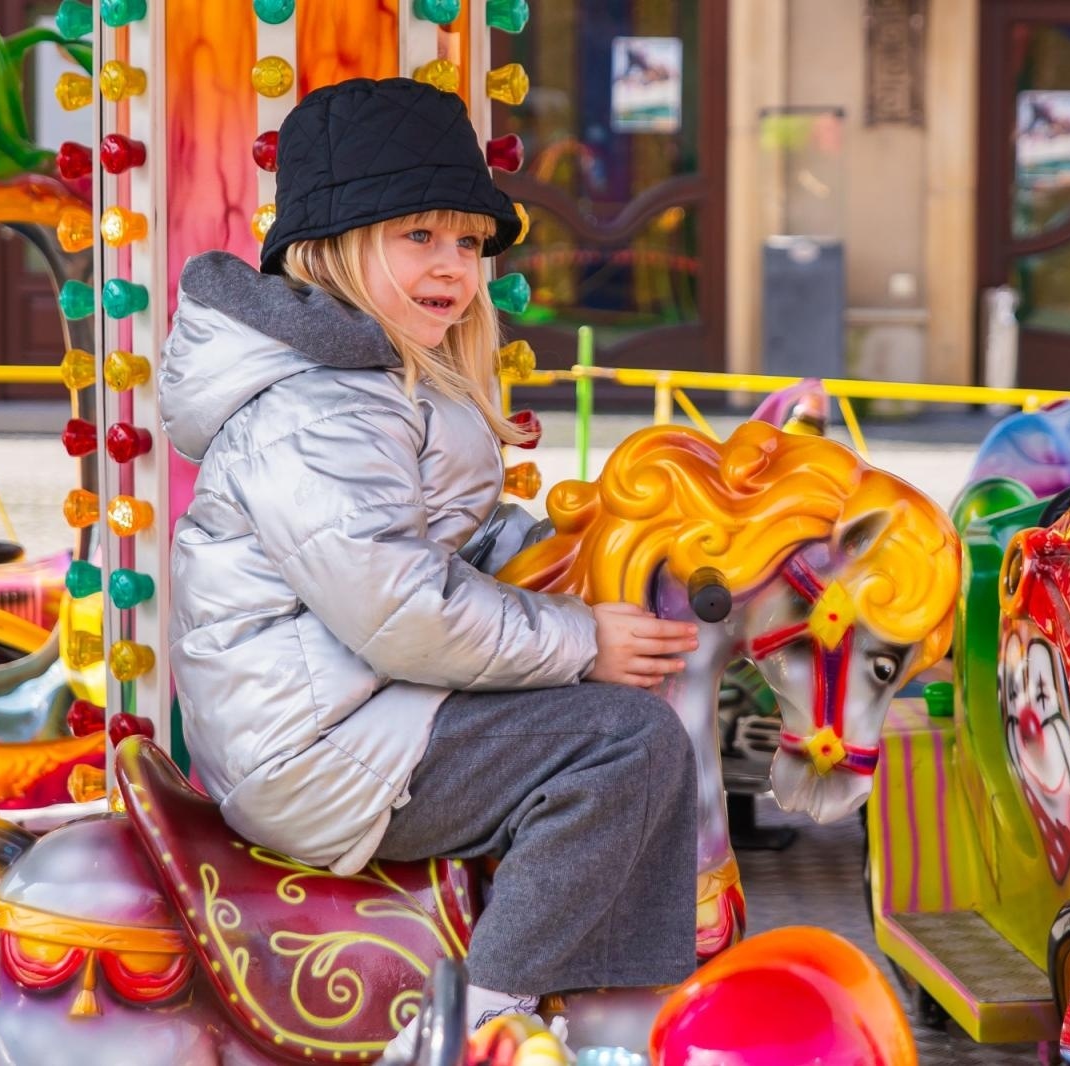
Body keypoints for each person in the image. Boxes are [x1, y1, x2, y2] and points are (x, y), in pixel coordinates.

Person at [159, 77, 700, 1052]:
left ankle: (587, 999)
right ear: (332, 250)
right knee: (625, 744)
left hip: (364, 706)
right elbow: (398, 607)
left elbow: (447, 537)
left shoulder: (385, 382)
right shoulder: (315, 408)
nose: (451, 265)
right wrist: (582, 641)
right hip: (315, 745)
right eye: (417, 236)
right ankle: (473, 1024)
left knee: (626, 723)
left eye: (465, 241)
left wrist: (562, 552)